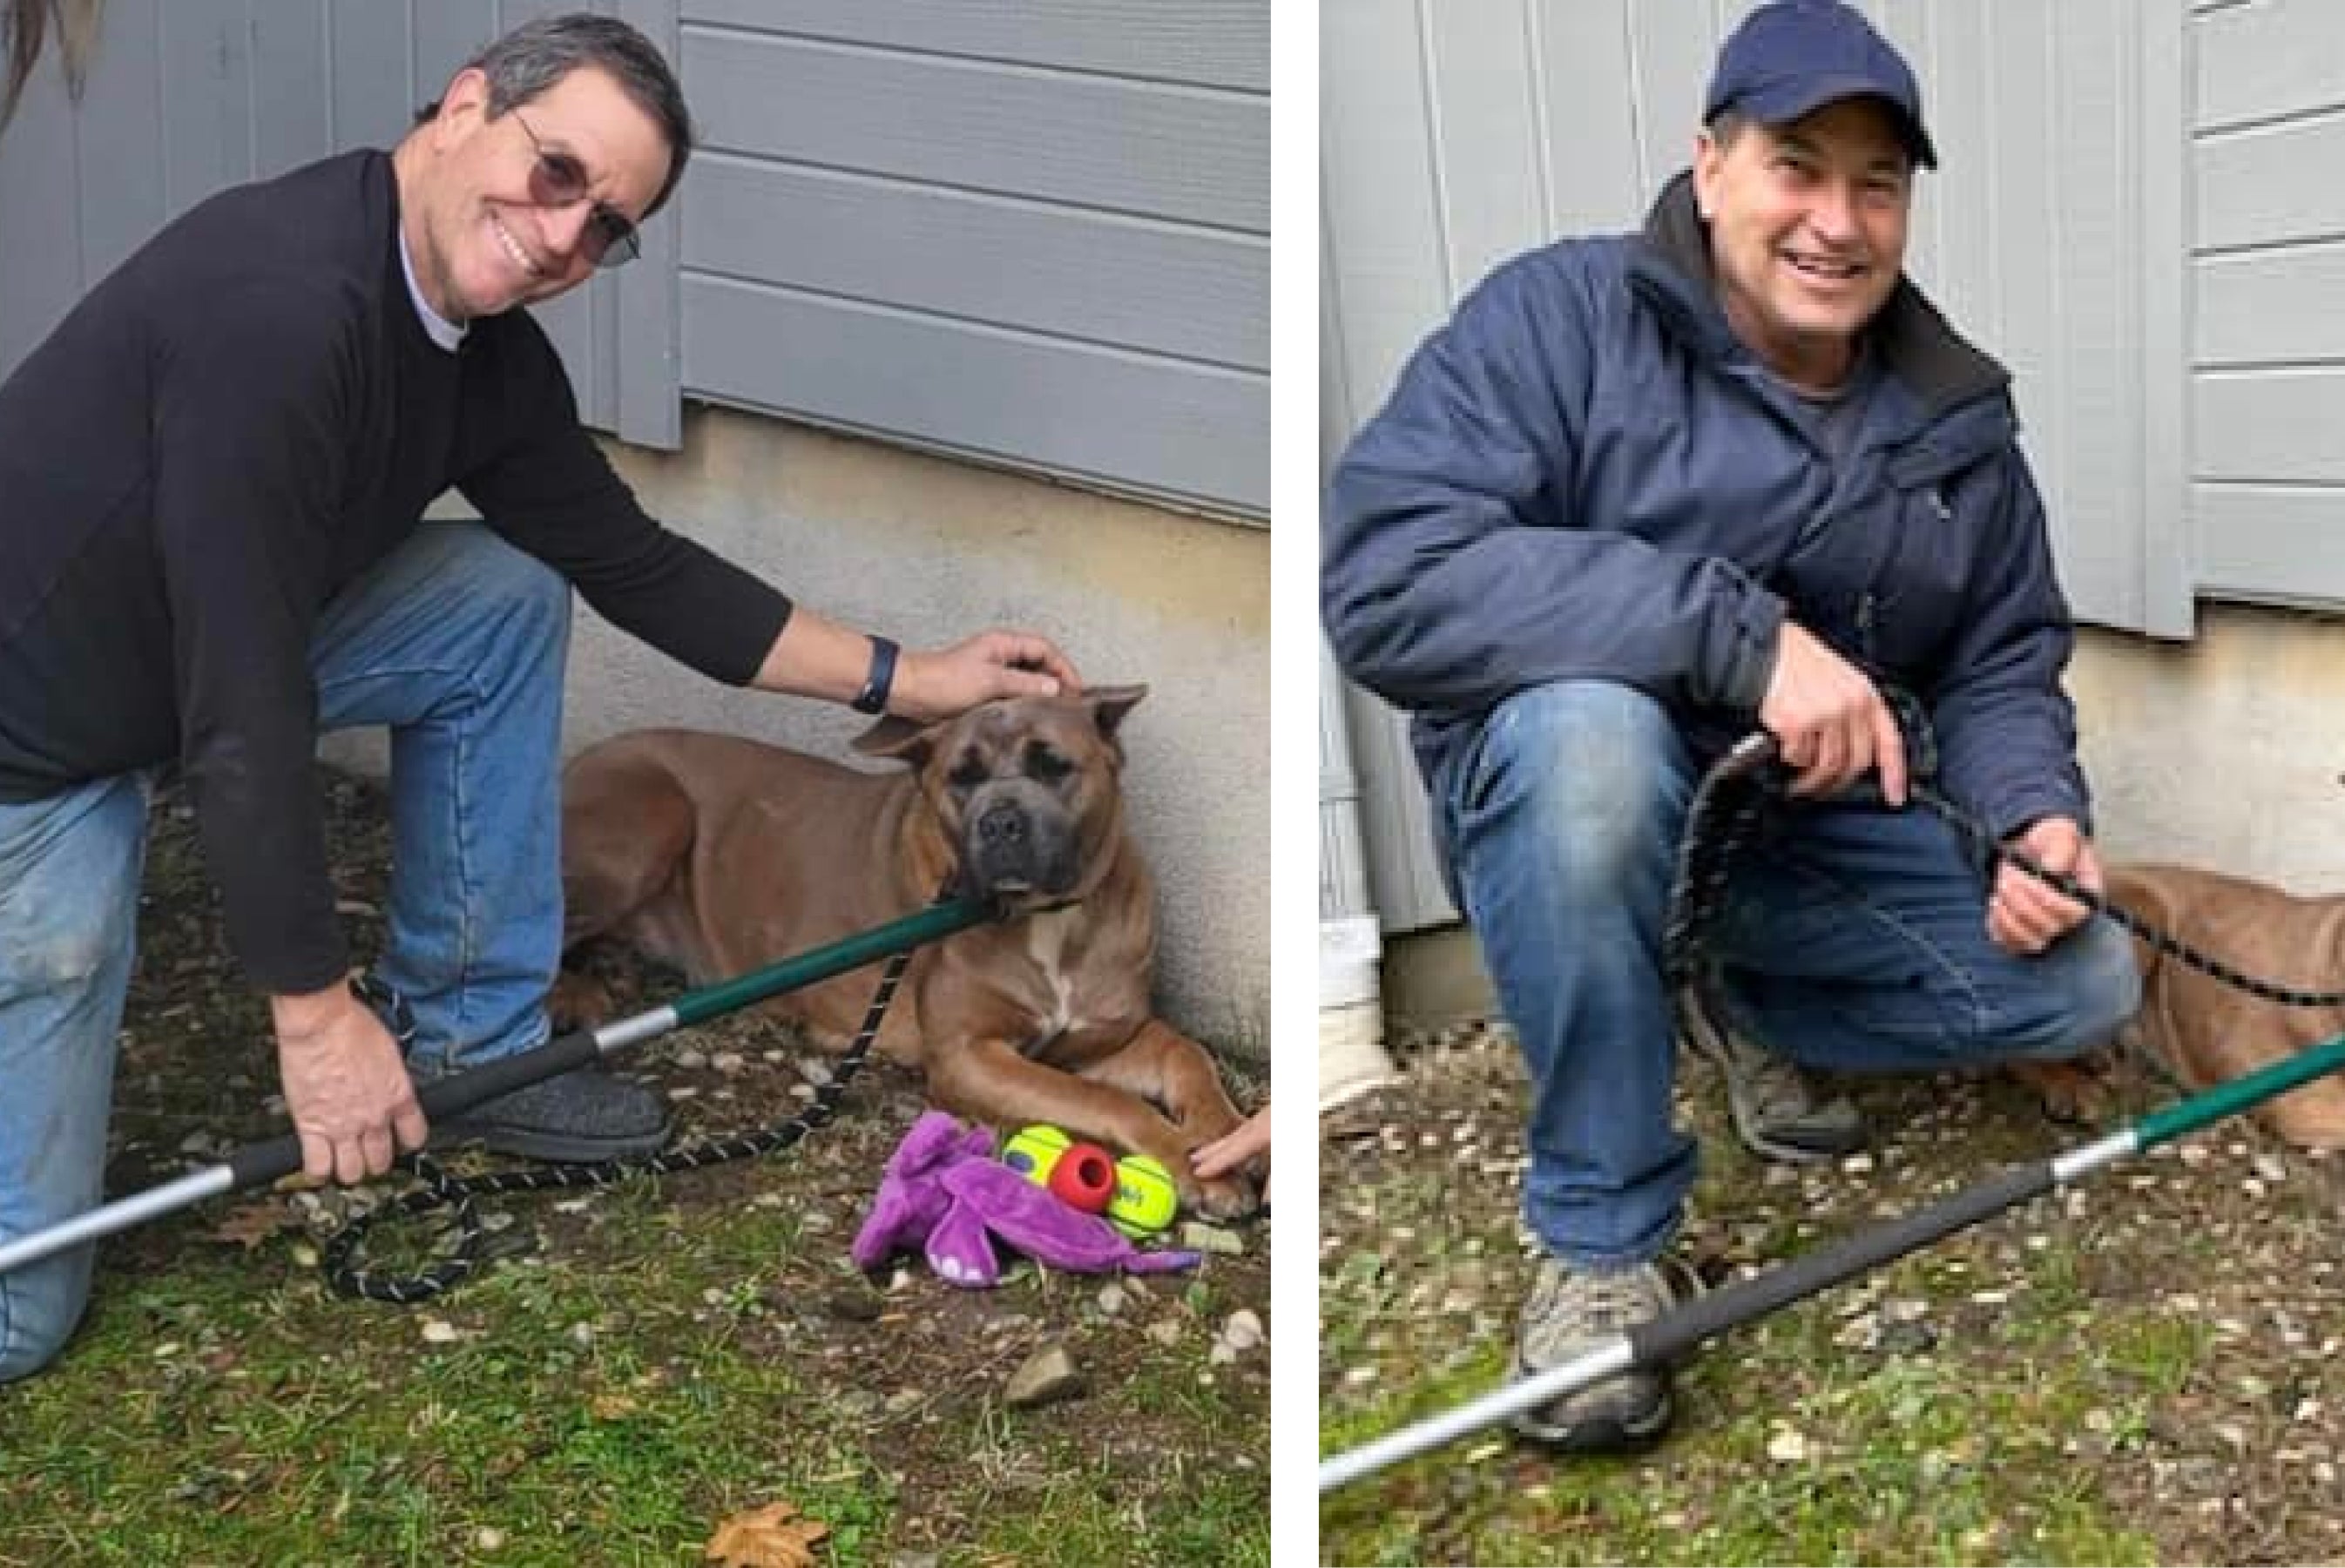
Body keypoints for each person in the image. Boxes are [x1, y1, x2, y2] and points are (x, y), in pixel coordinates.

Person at [0, 13, 1079, 1382]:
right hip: (32, 735)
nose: (566, 235)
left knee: (500, 594)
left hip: (183, 668)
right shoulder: (276, 311)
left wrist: (913, 676)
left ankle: (471, 1040)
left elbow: (636, 565)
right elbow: (243, 710)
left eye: (608, 225)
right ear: (464, 107)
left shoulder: (476, 348)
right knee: (21, 1312)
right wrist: (317, 1021)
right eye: (557, 172)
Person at [1321, 0, 2141, 1451]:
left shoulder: (1957, 418)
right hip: (1577, 818)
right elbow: (1389, 579)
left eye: (1875, 184)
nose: (1837, 221)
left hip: (1801, 839)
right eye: (1796, 167)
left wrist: (2033, 810)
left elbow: (2004, 657)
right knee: (1587, 745)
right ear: (1710, 168)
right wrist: (1736, 638)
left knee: (2086, 981)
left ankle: (1726, 1005)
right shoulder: (1557, 321)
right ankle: (1596, 1245)